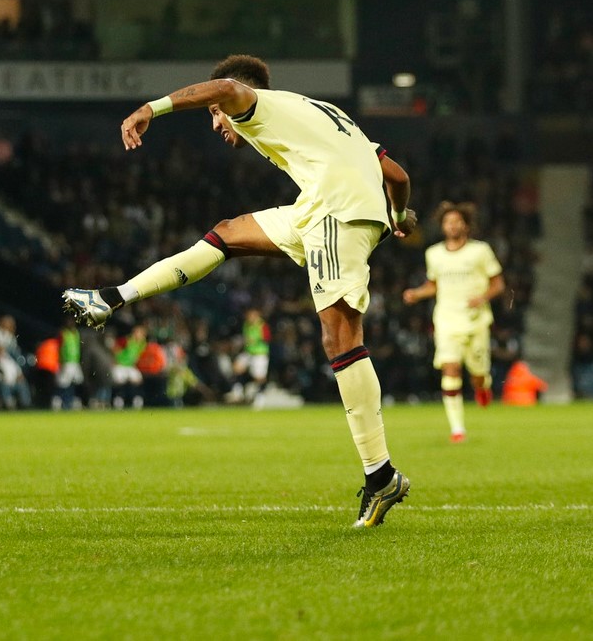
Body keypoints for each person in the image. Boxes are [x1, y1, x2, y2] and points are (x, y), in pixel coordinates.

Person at [62, 54, 417, 528]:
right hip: (319, 208)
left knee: (340, 338)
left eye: (214, 114)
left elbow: (227, 90)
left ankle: (381, 475)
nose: (215, 123)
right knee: (226, 234)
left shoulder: (256, 103)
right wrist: (397, 215)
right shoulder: (320, 111)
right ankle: (112, 297)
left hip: (337, 211)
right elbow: (398, 177)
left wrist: (151, 108)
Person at [403, 201, 505, 443]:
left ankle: (482, 386)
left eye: (457, 221)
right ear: (442, 226)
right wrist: (417, 293)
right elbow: (434, 285)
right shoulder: (434, 254)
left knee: (478, 374)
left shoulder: (480, 251)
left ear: (466, 225)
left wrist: (482, 298)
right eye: (448, 222)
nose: (452, 225)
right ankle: (458, 429)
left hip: (475, 321)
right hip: (446, 320)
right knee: (450, 368)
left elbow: (498, 284)